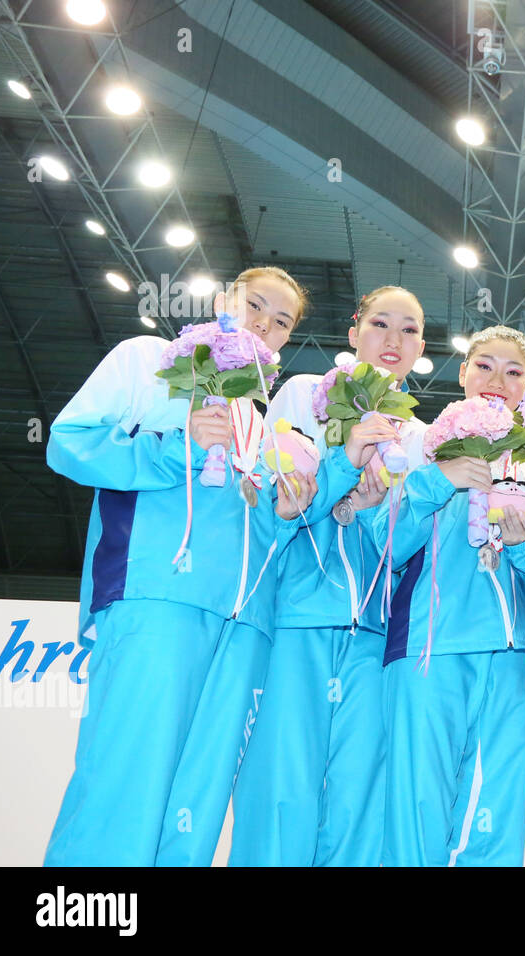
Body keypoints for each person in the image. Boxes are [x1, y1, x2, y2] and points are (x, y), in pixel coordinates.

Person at [46, 266, 315, 866]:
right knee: (126, 783)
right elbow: (67, 443)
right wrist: (176, 446)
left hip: (245, 622)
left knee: (197, 802)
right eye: (254, 306)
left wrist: (290, 508)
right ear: (223, 301)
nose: (263, 326)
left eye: (281, 322)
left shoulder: (269, 416)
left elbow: (263, 527)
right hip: (157, 595)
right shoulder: (150, 359)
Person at [228, 286, 426, 866]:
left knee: (356, 803)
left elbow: (405, 551)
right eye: (381, 324)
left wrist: (374, 513)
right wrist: (343, 470)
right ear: (353, 332)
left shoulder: (421, 437)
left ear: (420, 347)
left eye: (409, 330)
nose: (393, 340)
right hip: (297, 619)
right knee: (281, 794)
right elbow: (278, 505)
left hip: (373, 635)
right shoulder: (301, 394)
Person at [376, 325, 525, 867]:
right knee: (417, 805)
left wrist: (523, 549)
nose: (498, 380)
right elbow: (383, 549)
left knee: (492, 811)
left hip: (504, 655)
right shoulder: (415, 447)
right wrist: (439, 479)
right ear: (462, 372)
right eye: (485, 366)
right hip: (427, 650)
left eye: (514, 371)